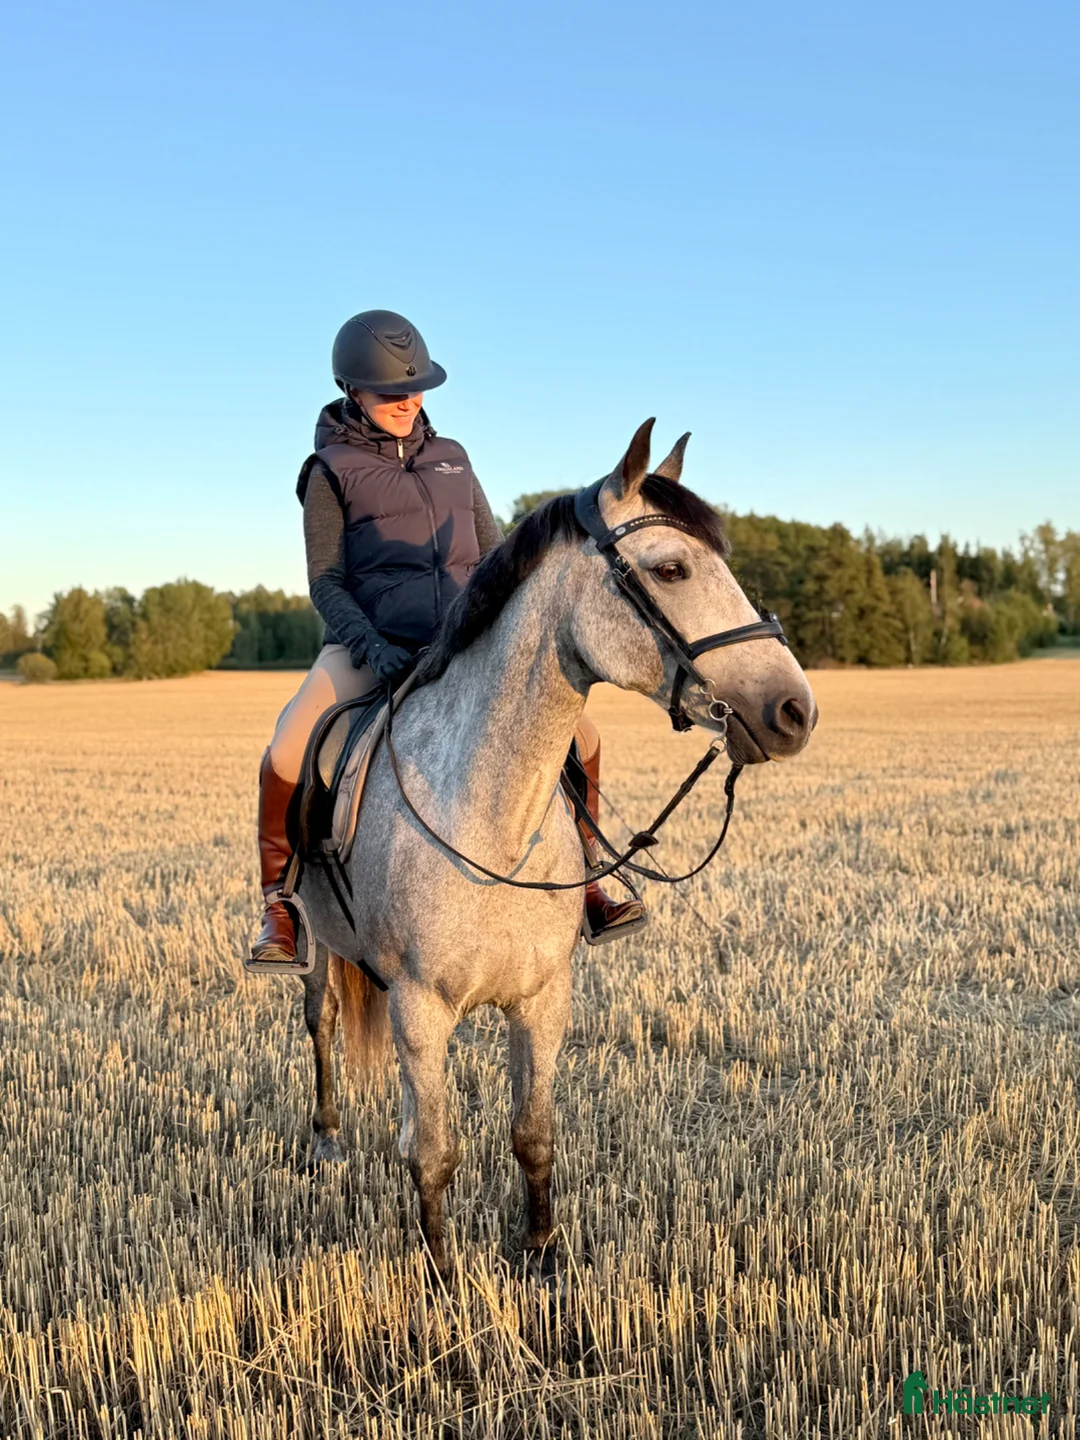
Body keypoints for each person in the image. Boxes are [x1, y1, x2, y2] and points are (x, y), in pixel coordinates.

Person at [249, 309, 646, 970]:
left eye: (418, 387)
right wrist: (372, 647)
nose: (408, 401)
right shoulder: (328, 470)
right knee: (289, 748)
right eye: (389, 393)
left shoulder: (454, 459)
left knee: (584, 737)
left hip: (464, 647)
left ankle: (591, 884)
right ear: (353, 391)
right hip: (369, 647)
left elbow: (497, 561)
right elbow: (326, 582)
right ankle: (280, 906)